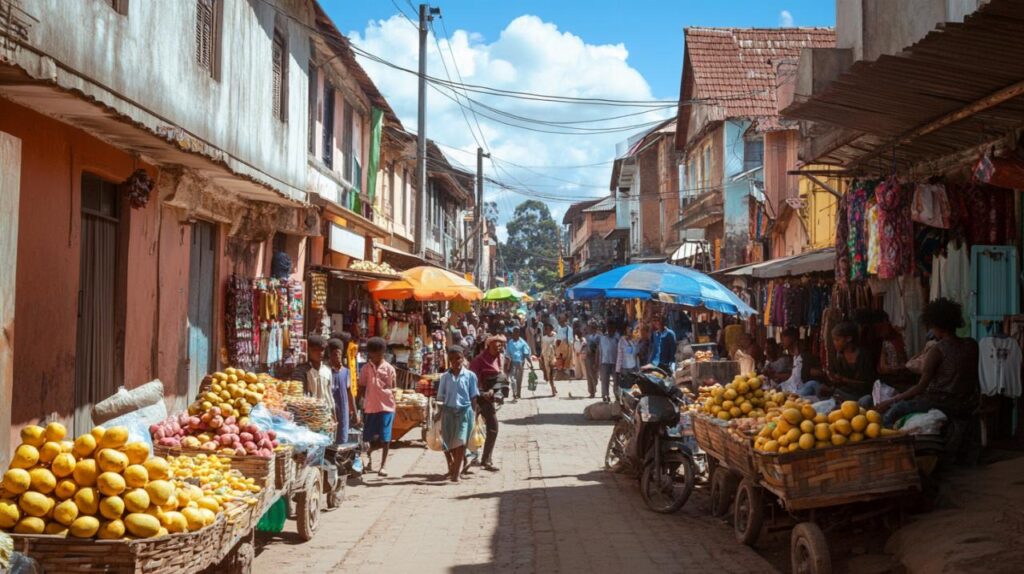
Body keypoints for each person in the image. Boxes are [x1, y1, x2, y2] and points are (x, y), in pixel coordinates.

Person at [876, 298, 980, 429]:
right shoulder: (972, 345)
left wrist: (891, 401)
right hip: (966, 403)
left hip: (941, 404)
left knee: (895, 411)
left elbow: (920, 387)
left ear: (937, 326)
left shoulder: (937, 350)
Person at [436, 345, 479, 482]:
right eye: (452, 359)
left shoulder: (470, 376)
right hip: (448, 412)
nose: (456, 361)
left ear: (463, 358)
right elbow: (441, 397)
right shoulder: (445, 377)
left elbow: (473, 396)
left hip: (464, 412)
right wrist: (439, 413)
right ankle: (454, 467)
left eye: (458, 358)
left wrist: (473, 413)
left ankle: (455, 474)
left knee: (460, 442)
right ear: (449, 360)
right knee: (448, 443)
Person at [810, 322, 876, 407]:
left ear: (849, 339)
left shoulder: (864, 356)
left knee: (866, 400)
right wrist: (832, 384)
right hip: (843, 393)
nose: (834, 343)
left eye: (837, 340)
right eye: (834, 340)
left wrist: (844, 380)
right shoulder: (838, 356)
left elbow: (867, 384)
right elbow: (836, 381)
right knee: (818, 388)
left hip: (860, 395)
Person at [359, 337, 396, 477]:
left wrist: (391, 392)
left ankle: (383, 466)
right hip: (370, 407)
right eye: (373, 354)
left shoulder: (389, 368)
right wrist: (358, 405)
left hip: (387, 407)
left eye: (379, 354)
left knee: (385, 437)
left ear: (383, 352)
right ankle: (368, 459)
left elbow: (393, 386)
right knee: (369, 437)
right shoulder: (365, 369)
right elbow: (362, 386)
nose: (376, 357)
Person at [469, 335, 506, 471]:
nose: (499, 348)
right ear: (489, 345)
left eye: (501, 345)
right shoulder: (478, 360)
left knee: (492, 427)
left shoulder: (499, 359)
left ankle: (486, 459)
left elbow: (499, 378)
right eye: (497, 345)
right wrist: (481, 392)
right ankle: (467, 457)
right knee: (469, 427)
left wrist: (494, 390)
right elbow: (471, 379)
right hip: (475, 397)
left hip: (488, 399)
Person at [327, 337, 358, 445]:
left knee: (342, 438)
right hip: (331, 410)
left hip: (343, 410)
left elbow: (350, 393)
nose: (338, 357)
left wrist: (354, 412)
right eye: (335, 355)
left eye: (339, 354)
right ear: (330, 356)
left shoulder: (346, 372)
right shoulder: (327, 372)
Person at [294, 335, 335, 413]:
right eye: (316, 350)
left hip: (326, 413)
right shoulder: (302, 371)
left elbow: (330, 395)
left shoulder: (327, 371)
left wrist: (334, 416)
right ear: (309, 351)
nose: (319, 353)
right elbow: (299, 396)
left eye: (322, 350)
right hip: (309, 414)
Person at [875, 312, 912, 386]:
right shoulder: (883, 341)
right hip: (889, 378)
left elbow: (905, 360)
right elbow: (882, 366)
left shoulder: (898, 338)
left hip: (901, 377)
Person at [504, 327, 531, 400]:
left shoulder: (522, 342)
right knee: (513, 379)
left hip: (520, 363)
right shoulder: (510, 342)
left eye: (517, 332)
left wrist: (530, 363)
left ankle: (518, 393)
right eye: (514, 332)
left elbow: (526, 353)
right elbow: (507, 353)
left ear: (519, 333)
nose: (515, 333)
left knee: (519, 379)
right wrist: (507, 364)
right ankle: (514, 393)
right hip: (512, 362)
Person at [597, 322, 620, 403]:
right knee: (604, 380)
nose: (610, 330)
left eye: (612, 329)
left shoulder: (617, 339)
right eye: (609, 328)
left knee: (616, 381)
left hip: (615, 362)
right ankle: (605, 395)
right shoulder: (602, 338)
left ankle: (617, 396)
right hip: (604, 362)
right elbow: (599, 351)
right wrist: (598, 363)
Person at [615, 326, 640, 396]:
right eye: (628, 330)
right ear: (625, 331)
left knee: (632, 385)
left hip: (633, 367)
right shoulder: (621, 341)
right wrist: (617, 370)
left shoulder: (635, 340)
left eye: (631, 330)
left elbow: (636, 353)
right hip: (624, 367)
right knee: (625, 385)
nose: (630, 332)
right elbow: (619, 355)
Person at [540, 324, 559, 396]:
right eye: (546, 329)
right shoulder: (544, 338)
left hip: (553, 357)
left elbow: (557, 346)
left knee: (552, 373)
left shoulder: (555, 337)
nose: (547, 331)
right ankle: (553, 387)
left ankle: (553, 388)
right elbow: (542, 348)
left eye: (548, 329)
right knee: (548, 373)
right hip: (545, 357)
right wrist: (541, 357)